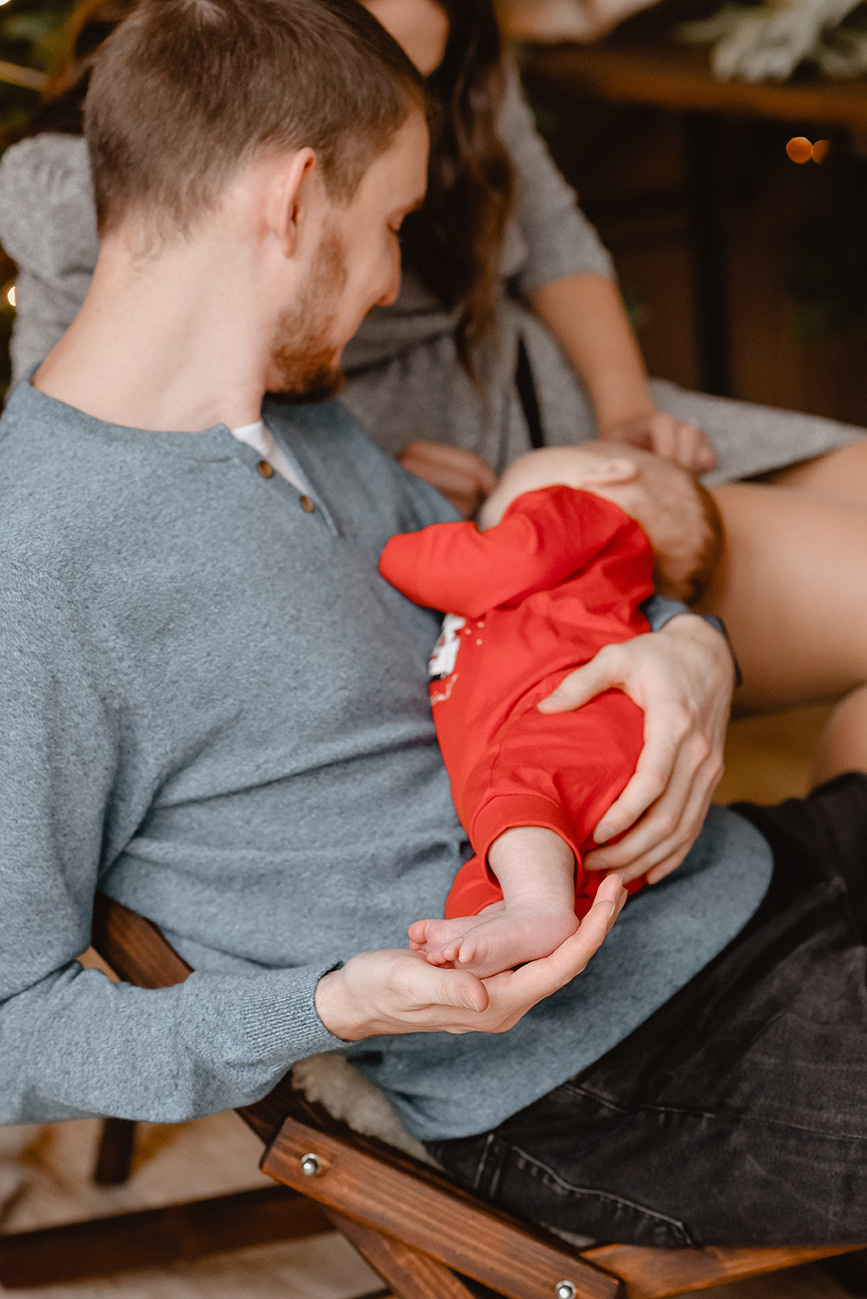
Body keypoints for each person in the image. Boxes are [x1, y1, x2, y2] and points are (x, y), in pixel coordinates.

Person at [0, 0, 865, 1250]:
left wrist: (687, 647)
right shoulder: (38, 567)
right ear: (294, 200)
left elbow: (535, 598)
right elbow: (12, 1025)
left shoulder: (302, 429)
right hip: (618, 1071)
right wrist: (330, 1005)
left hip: (740, 891)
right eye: (392, 225)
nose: (397, 278)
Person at [381, 442, 722, 977]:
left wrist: (397, 552)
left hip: (571, 716)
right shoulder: (588, 579)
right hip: (601, 752)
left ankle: (535, 911)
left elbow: (483, 567)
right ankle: (511, 928)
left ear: (610, 469)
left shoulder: (585, 511)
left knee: (514, 793)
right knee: (496, 862)